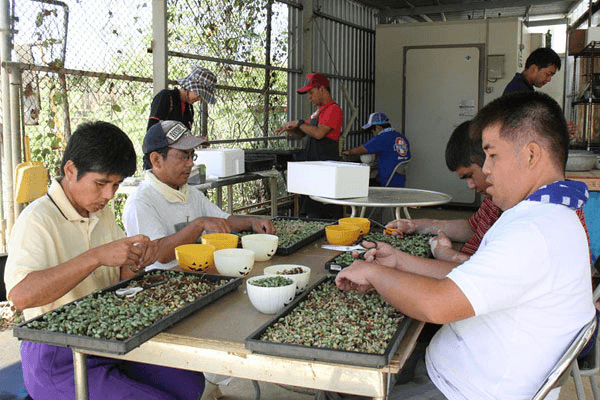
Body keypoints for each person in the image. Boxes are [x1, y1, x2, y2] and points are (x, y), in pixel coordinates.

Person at [335, 91, 596, 399]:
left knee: (338, 382)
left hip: (462, 388)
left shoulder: (534, 231)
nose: (485, 169)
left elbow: (436, 304)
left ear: (530, 155)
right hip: (456, 366)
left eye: (492, 155)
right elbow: (469, 275)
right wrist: (399, 262)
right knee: (345, 378)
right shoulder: (549, 214)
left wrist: (374, 274)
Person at [3, 121, 206, 400]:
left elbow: (122, 283)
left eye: (116, 184)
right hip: (56, 354)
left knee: (190, 384)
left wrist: (133, 263)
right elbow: (21, 297)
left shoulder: (101, 213)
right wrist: (96, 257)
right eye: (101, 183)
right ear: (70, 170)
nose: (109, 195)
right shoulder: (37, 220)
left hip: (106, 336)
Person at [123, 120, 275, 271]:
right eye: (183, 156)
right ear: (156, 160)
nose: (190, 164)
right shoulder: (141, 202)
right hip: (165, 284)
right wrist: (198, 224)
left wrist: (252, 221)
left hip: (199, 274)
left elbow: (223, 220)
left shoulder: (190, 193)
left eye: (192, 155)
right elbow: (160, 254)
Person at [275, 72, 344, 219]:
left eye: (311, 92)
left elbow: (319, 133)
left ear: (322, 89)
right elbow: (305, 133)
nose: (309, 97)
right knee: (312, 213)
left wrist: (299, 123)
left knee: (325, 212)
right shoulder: (318, 112)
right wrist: (293, 129)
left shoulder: (333, 110)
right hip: (315, 170)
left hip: (326, 171)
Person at [147, 65, 216, 144]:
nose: (200, 99)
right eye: (199, 94)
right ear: (190, 87)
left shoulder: (189, 108)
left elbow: (182, 137)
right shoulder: (165, 97)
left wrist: (194, 140)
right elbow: (151, 132)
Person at [342, 112, 411, 188]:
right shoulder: (402, 137)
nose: (372, 132)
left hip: (386, 181)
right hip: (400, 181)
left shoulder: (382, 137)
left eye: (372, 130)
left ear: (378, 127)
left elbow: (359, 150)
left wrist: (347, 152)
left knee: (357, 185)